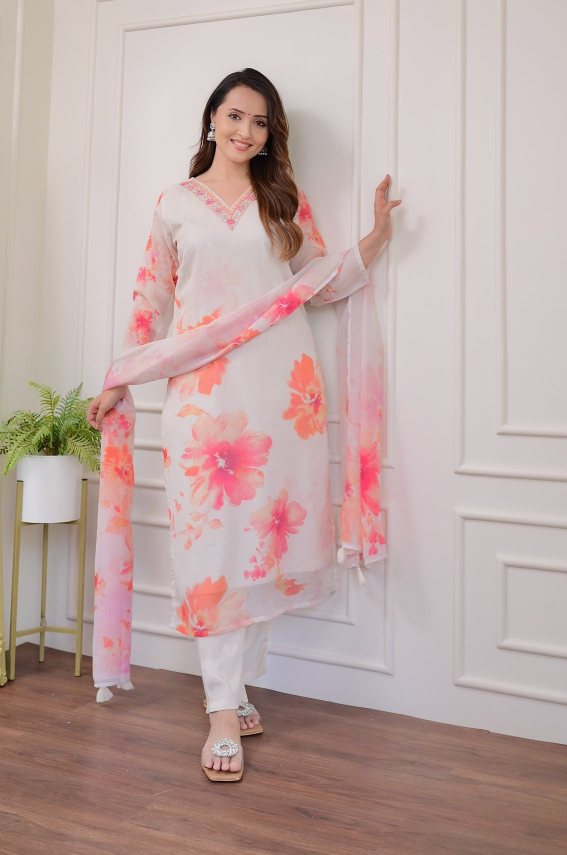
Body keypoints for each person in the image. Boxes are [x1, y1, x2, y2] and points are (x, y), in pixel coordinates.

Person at [86, 67, 401, 780]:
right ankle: (221, 708)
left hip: (282, 398)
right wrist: (120, 376)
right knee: (212, 549)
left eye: (260, 122)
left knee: (262, 544)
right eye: (235, 116)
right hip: (202, 401)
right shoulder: (175, 203)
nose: (246, 132)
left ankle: (233, 690)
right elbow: (150, 302)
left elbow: (321, 283)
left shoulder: (282, 201)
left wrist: (376, 238)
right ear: (212, 118)